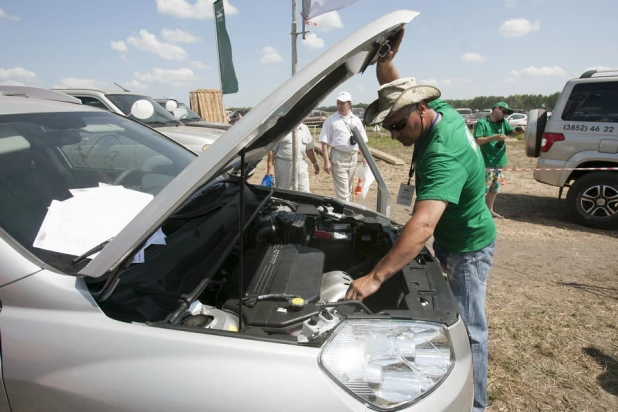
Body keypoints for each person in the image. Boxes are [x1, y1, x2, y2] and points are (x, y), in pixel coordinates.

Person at [344, 28, 496, 412]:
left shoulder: (443, 156)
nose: (394, 135)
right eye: (389, 127)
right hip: (453, 237)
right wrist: (385, 62)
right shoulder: (438, 110)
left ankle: (474, 405)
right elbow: (398, 89)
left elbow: (424, 225)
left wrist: (376, 277)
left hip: (467, 245)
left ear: (421, 111)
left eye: (398, 126)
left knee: (470, 330)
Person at [473, 102, 523, 219]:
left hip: (499, 162)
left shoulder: (504, 122)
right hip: (486, 162)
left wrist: (518, 132)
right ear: (496, 109)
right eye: (503, 112)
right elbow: (477, 140)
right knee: (483, 190)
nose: (504, 115)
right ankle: (477, 212)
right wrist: (494, 137)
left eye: (506, 113)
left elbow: (511, 133)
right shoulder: (482, 123)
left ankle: (489, 210)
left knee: (494, 189)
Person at [318, 91, 368, 201]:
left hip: (353, 157)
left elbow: (362, 142)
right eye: (338, 103)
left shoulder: (356, 120)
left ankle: (343, 209)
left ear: (349, 104)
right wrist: (326, 162)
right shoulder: (331, 120)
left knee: (348, 189)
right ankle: (345, 214)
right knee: (343, 191)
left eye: (342, 103)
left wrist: (364, 157)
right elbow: (324, 143)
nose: (339, 106)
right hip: (338, 158)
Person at [266, 123, 320, 192]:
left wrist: (315, 163)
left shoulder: (305, 128)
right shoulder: (281, 129)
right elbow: (272, 150)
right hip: (283, 164)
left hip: (301, 164)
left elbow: (309, 149)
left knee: (304, 191)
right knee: (281, 190)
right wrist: (270, 168)